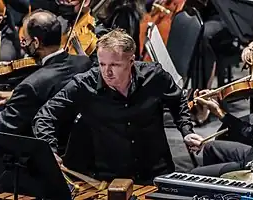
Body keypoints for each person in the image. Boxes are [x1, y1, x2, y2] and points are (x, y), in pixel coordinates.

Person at [33, 29, 203, 184]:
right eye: (102, 64)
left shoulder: (154, 76)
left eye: (114, 65)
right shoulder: (84, 84)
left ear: (131, 61)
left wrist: (186, 130)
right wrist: (49, 149)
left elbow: (177, 99)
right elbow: (46, 115)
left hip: (156, 172)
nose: (107, 72)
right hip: (110, 180)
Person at [0, 10, 91, 153]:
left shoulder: (31, 86)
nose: (23, 44)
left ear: (36, 42)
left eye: (25, 40)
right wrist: (13, 96)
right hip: (72, 148)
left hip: (34, 156)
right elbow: (56, 93)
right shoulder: (84, 62)